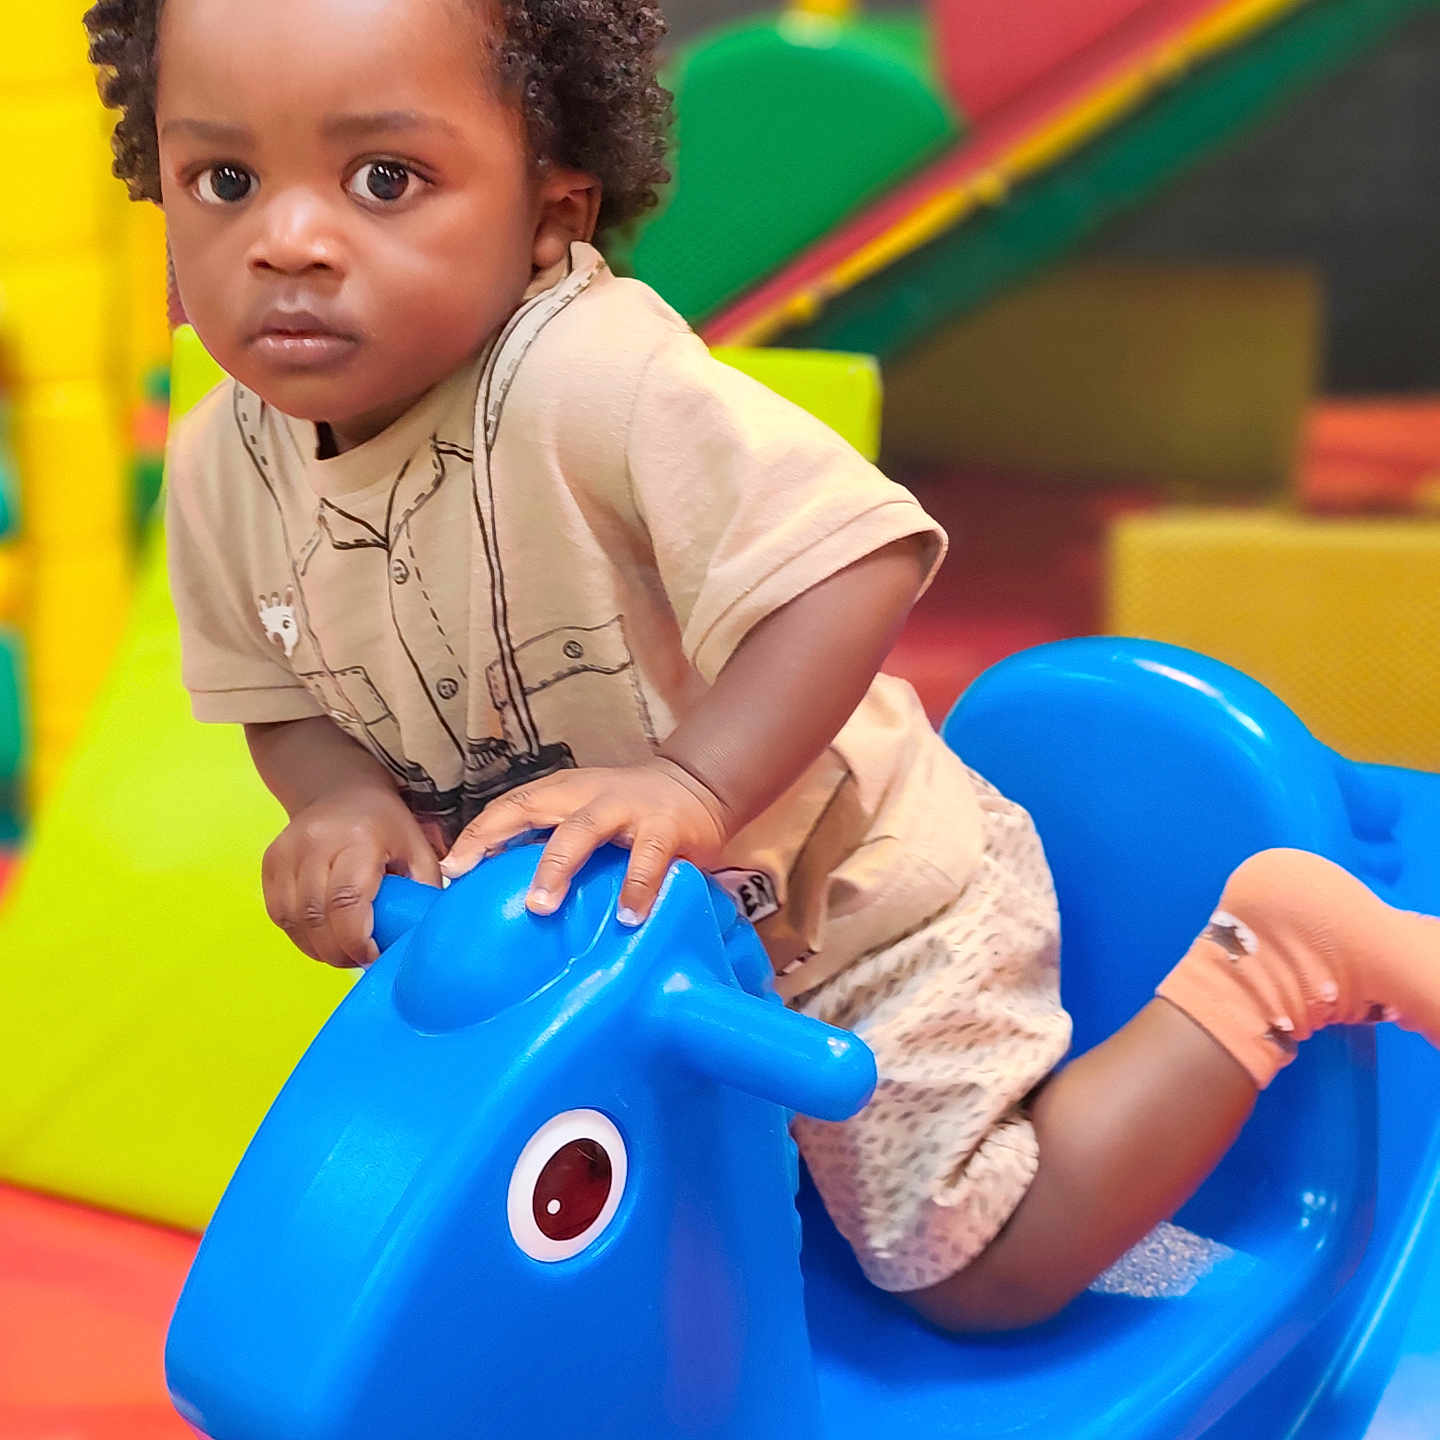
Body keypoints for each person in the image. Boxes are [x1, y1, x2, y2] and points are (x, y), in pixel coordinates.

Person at [86, 0, 1440, 1333]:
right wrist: (333, 798)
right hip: (644, 960)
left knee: (972, 1272)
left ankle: (1277, 955)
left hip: (859, 915)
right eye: (225, 179)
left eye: (386, 178)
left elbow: (852, 561)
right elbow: (282, 696)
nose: (290, 241)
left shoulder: (589, 380)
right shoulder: (222, 459)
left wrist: (689, 781)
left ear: (549, 212)